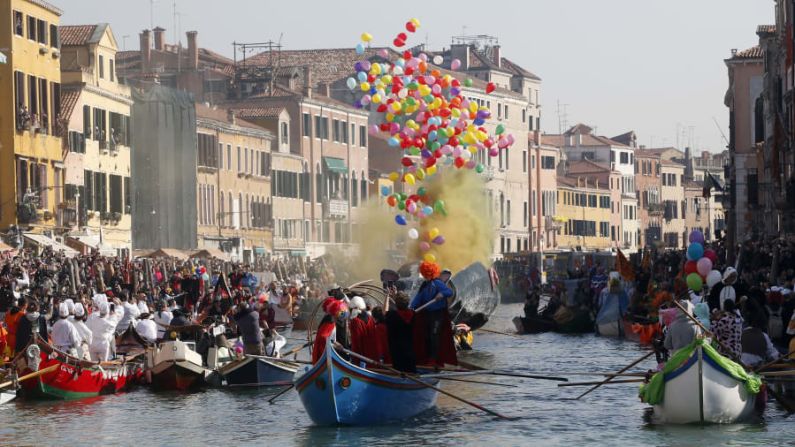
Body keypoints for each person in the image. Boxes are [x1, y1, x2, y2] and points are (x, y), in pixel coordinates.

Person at [410, 261, 455, 367]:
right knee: (426, 335)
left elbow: (450, 292)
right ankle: (427, 357)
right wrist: (411, 308)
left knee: (434, 335)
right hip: (427, 314)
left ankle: (434, 359)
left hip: (438, 314)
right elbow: (418, 298)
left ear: (430, 273)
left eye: (426, 274)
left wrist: (442, 293)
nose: (425, 276)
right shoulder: (425, 284)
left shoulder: (438, 283)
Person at [385, 292, 416, 373]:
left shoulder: (392, 315)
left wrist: (387, 297)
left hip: (396, 349)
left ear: (396, 303)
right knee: (410, 368)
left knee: (398, 370)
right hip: (410, 348)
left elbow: (384, 312)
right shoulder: (413, 314)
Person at [312, 298, 348, 364]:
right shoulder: (329, 322)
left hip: (327, 351)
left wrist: (337, 344)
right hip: (323, 352)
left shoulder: (333, 322)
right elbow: (323, 338)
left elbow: (330, 338)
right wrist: (334, 345)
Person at [348, 295, 376, 359]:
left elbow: (356, 341)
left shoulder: (355, 321)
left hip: (361, 355)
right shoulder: (370, 318)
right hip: (371, 351)